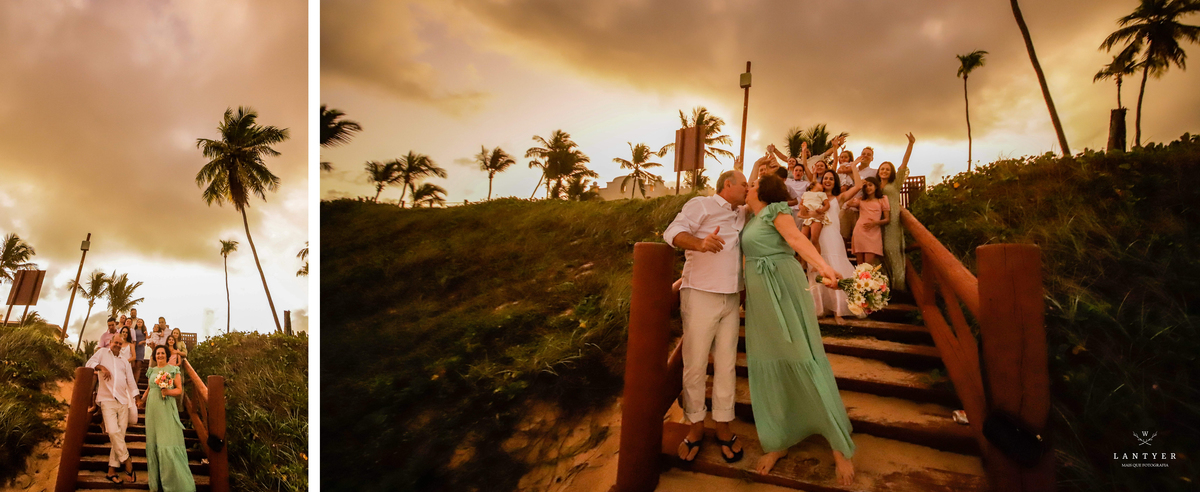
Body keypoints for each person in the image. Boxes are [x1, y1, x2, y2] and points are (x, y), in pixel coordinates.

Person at [740, 173, 855, 484]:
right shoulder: (752, 217)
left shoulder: (774, 210)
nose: (748, 187)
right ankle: (779, 439)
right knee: (769, 357)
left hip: (783, 287)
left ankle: (838, 445)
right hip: (761, 296)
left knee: (801, 353)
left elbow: (797, 240)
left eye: (753, 184)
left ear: (764, 191)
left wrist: (824, 267)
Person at [663, 168, 749, 464]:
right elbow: (672, 232)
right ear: (728, 184)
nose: (748, 189)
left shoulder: (741, 213)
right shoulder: (701, 204)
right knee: (695, 364)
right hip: (700, 293)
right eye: (744, 185)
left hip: (731, 297)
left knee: (726, 365)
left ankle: (723, 425)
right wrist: (699, 243)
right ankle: (696, 425)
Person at [808, 167, 866, 323]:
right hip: (817, 236)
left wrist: (853, 167)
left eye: (831, 179)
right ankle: (819, 308)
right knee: (817, 268)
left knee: (835, 267)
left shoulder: (839, 198)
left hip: (832, 236)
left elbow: (858, 186)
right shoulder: (815, 197)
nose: (827, 181)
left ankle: (838, 311)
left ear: (835, 182)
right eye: (825, 178)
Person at [139, 346, 197, 491]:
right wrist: (142, 400)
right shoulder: (151, 370)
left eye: (163, 353)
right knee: (153, 442)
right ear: (154, 356)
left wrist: (167, 392)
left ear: (167, 355)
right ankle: (156, 483)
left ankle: (172, 483)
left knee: (166, 441)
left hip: (165, 406)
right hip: (152, 408)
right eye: (158, 353)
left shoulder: (173, 369)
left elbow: (179, 390)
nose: (160, 355)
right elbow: (149, 388)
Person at [85, 336, 139, 484]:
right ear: (110, 343)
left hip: (123, 401)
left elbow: (130, 380)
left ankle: (111, 471)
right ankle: (127, 460)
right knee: (113, 432)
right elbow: (89, 363)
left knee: (119, 436)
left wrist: (137, 397)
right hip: (107, 399)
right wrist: (101, 367)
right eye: (116, 342)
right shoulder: (102, 353)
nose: (118, 345)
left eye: (120, 344)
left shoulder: (124, 360)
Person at [880, 133, 916, 291]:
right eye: (882, 169)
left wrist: (910, 145)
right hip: (878, 221)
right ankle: (885, 286)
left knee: (891, 249)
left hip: (892, 221)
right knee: (881, 252)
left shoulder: (895, 184)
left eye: (887, 169)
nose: (884, 171)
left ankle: (899, 286)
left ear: (891, 172)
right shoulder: (874, 185)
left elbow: (903, 165)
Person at [848, 177, 891, 266]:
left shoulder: (882, 199)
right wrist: (858, 187)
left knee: (869, 264)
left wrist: (875, 223)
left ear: (876, 186)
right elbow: (848, 203)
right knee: (859, 264)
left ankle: (868, 276)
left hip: (873, 233)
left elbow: (887, 219)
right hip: (860, 231)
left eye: (870, 185)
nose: (868, 188)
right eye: (866, 186)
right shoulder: (861, 200)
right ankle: (859, 276)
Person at [796, 181, 832, 254]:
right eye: (820, 184)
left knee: (814, 238)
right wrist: (802, 207)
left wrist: (822, 210)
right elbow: (800, 204)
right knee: (803, 238)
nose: (822, 185)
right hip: (807, 215)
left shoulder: (822, 194)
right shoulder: (806, 194)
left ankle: (817, 258)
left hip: (817, 216)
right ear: (813, 185)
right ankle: (804, 259)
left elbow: (827, 205)